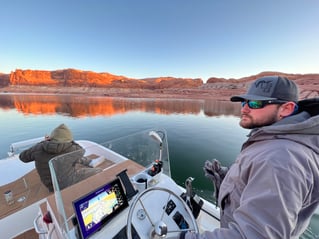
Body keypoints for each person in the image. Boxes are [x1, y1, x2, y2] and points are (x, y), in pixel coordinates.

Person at [181, 76, 319, 239]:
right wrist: (226, 177)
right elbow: (260, 182)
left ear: (286, 109)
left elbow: (254, 235)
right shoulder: (274, 140)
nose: (244, 109)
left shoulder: (282, 158)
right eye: (243, 102)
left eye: (255, 104)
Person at [19, 123, 101, 192]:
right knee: (98, 170)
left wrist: (43, 142)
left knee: (70, 157)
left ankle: (90, 162)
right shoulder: (71, 148)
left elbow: (22, 157)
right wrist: (71, 141)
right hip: (67, 182)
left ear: (51, 137)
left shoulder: (39, 147)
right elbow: (82, 151)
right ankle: (91, 163)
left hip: (51, 186)